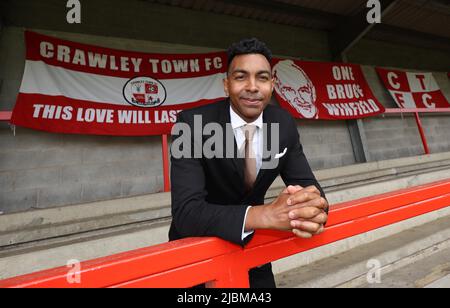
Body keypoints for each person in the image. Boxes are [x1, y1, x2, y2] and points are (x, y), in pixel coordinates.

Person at [169, 38, 329, 288]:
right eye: (241, 77)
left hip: (254, 251)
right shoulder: (191, 124)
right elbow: (186, 213)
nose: (253, 87)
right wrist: (262, 215)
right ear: (226, 84)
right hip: (197, 250)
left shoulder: (283, 123)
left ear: (272, 85)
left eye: (262, 78)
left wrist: (310, 208)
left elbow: (311, 189)